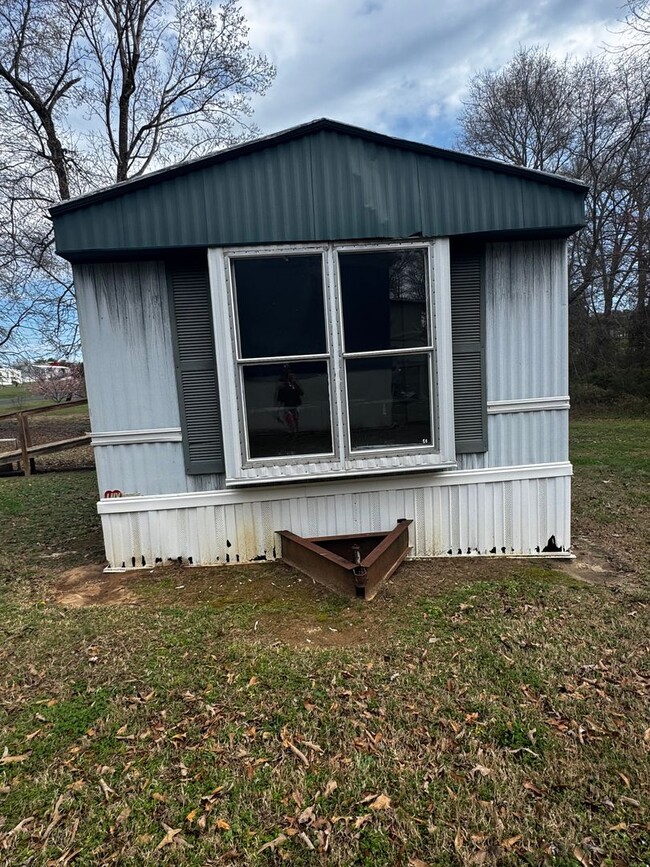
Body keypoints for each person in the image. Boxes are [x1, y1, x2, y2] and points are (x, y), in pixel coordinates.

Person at [276, 366, 303, 434]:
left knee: (295, 423)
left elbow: (301, 393)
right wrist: (278, 412)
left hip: (295, 406)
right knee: (291, 424)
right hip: (288, 407)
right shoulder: (283, 387)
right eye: (291, 376)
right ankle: (293, 434)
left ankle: (295, 434)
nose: (293, 377)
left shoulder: (295, 385)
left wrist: (296, 384)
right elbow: (280, 400)